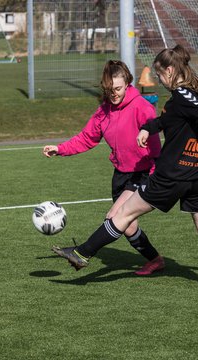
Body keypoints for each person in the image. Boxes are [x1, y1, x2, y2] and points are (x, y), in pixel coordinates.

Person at [53, 45, 198, 291]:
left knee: (122, 215)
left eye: (160, 75)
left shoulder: (184, 97)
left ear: (170, 70)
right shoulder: (193, 94)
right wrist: (150, 128)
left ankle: (82, 253)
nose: (159, 80)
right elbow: (171, 118)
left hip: (172, 176)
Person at [43, 59, 164, 275]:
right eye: (109, 90)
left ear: (128, 83)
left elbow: (155, 148)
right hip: (121, 175)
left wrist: (155, 177)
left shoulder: (142, 108)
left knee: (114, 215)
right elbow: (86, 138)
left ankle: (82, 253)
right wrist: (60, 149)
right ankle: (155, 260)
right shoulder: (104, 111)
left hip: (143, 172)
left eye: (117, 88)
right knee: (128, 226)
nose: (114, 94)